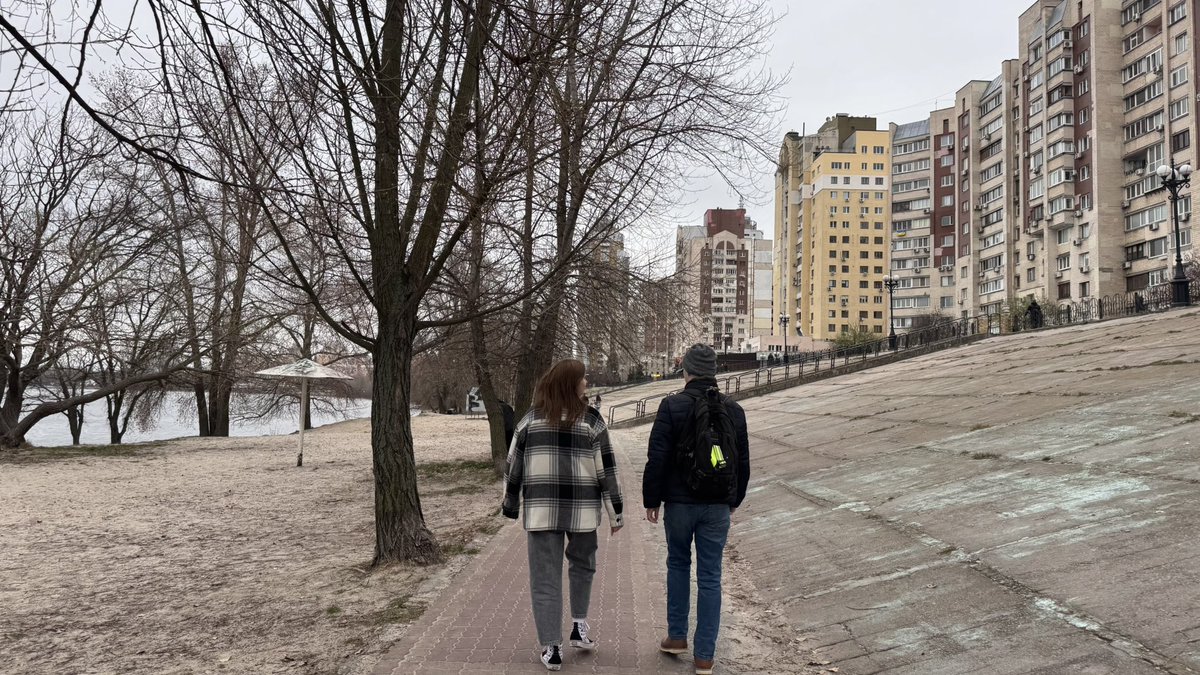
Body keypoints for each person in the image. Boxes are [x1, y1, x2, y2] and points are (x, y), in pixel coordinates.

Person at [502, 359, 624, 671]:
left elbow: (512, 465)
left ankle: (551, 646)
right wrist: (615, 514)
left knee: (545, 576)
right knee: (583, 566)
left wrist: (511, 505)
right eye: (583, 379)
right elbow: (607, 471)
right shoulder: (592, 421)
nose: (587, 383)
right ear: (571, 383)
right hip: (583, 513)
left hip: (542, 511)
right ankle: (578, 626)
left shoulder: (530, 421)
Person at [643, 343, 750, 675]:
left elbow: (657, 457)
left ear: (686, 371)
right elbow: (743, 462)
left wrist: (651, 499)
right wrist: (733, 499)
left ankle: (676, 637)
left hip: (679, 503)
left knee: (677, 563)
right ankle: (705, 655)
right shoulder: (734, 410)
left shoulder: (671, 405)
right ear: (715, 372)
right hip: (717, 504)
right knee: (711, 576)